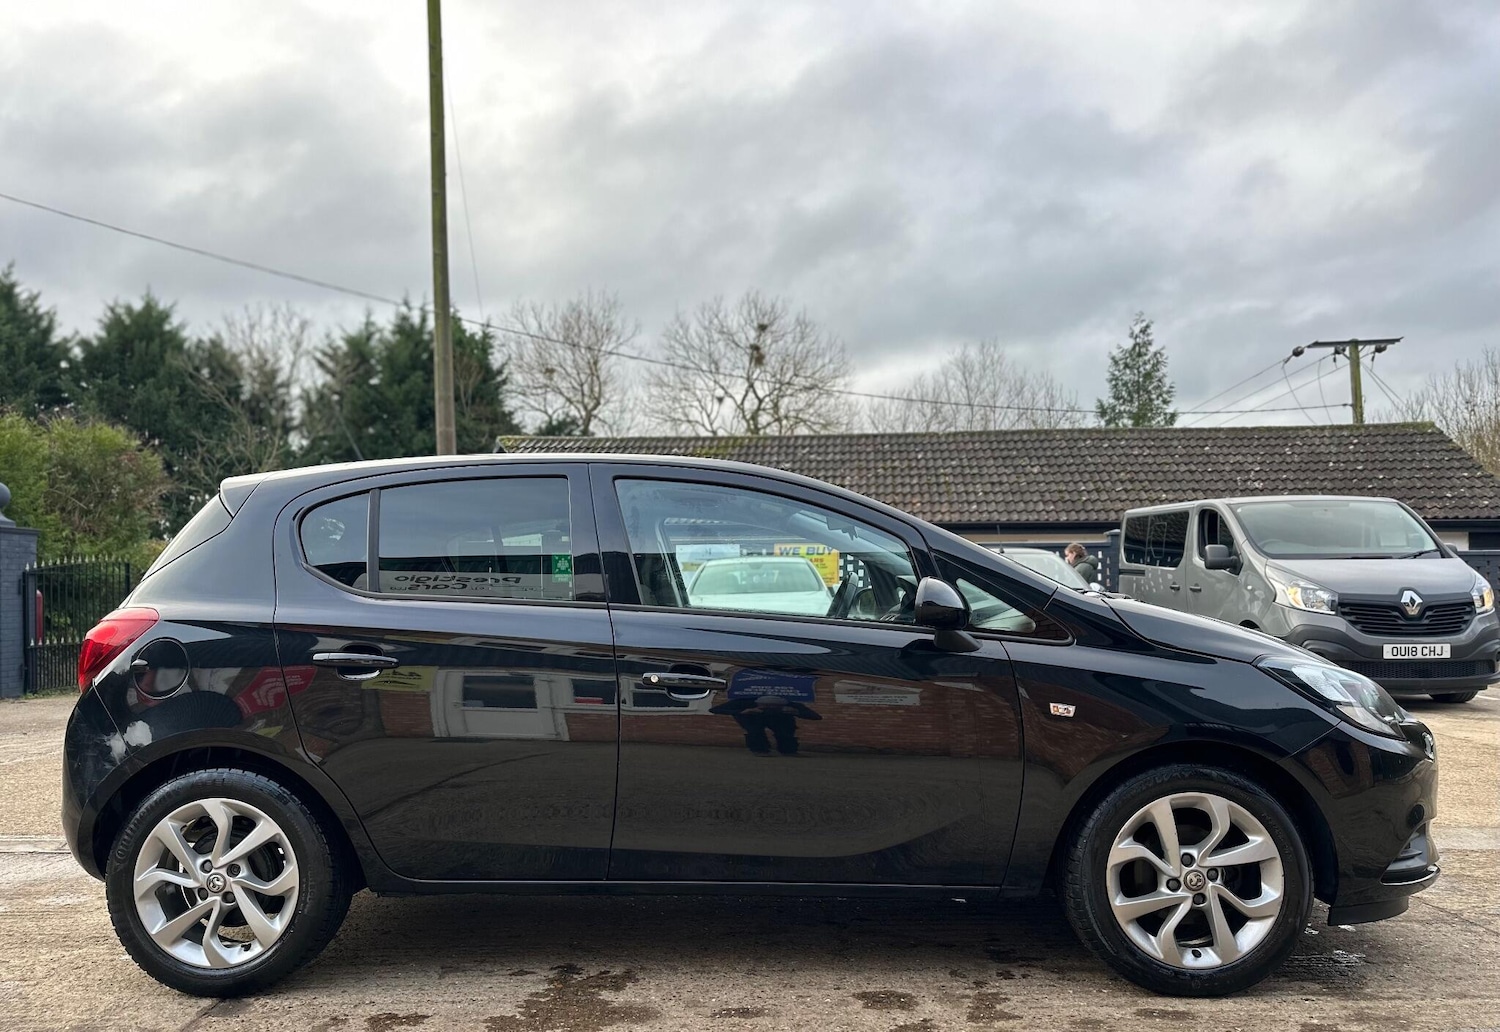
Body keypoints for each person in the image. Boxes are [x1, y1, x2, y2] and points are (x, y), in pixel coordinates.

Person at [710, 694, 822, 756]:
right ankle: (760, 749)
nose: (770, 709)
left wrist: (796, 712)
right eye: (765, 707)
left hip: (780, 718)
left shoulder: (792, 705)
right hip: (752, 717)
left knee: (786, 731)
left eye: (774, 707)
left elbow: (816, 716)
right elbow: (715, 709)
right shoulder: (744, 702)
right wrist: (741, 712)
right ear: (758, 703)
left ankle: (788, 750)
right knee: (755, 731)